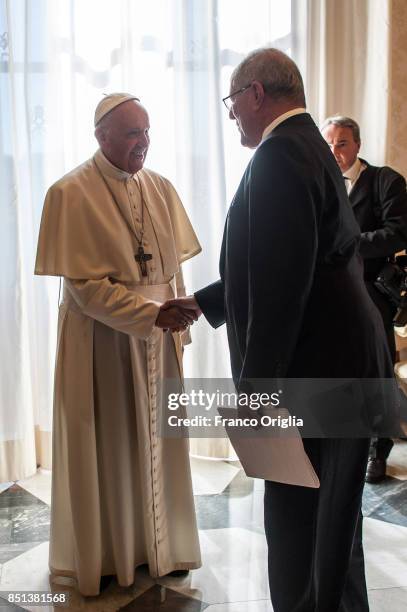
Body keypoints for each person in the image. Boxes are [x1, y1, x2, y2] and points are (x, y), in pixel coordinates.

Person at [162, 48, 394, 611]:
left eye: (232, 102)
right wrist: (206, 300)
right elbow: (311, 258)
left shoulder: (278, 157)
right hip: (344, 365)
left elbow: (281, 285)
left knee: (300, 529)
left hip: (314, 373)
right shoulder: (309, 146)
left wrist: (256, 399)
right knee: (333, 528)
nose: (232, 114)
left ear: (255, 95)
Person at [35, 93, 202, 596]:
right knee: (109, 445)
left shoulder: (161, 187)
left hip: (158, 338)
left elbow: (171, 269)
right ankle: (110, 558)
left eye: (147, 132)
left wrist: (177, 324)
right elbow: (81, 289)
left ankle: (163, 548)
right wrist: (151, 315)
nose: (143, 143)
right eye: (133, 133)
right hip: (103, 344)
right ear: (101, 135)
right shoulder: (69, 193)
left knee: (161, 445)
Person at [322, 115, 407, 483]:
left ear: (357, 145)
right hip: (331, 294)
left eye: (342, 143)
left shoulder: (386, 180)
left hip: (373, 292)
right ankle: (338, 442)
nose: (335, 151)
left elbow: (398, 233)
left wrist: (349, 247)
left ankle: (377, 451)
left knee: (377, 373)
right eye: (328, 144)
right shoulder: (322, 183)